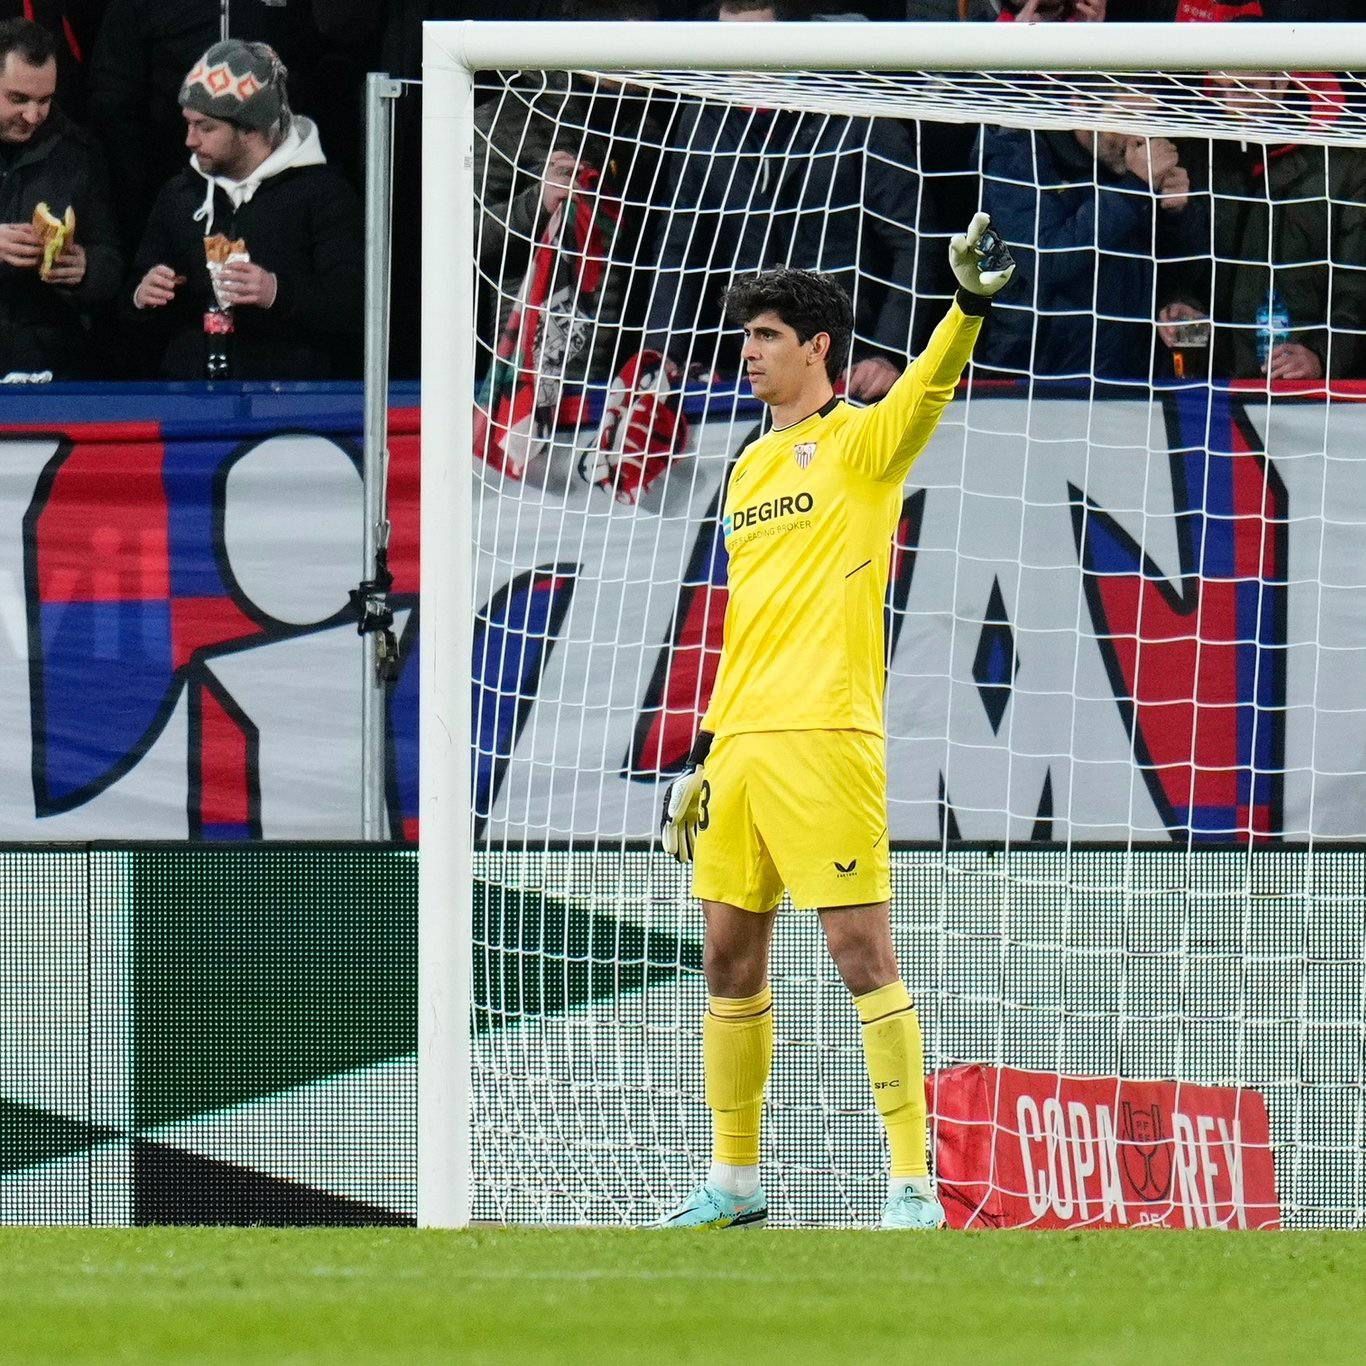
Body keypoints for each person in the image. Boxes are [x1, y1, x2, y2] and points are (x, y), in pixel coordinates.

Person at [657, 214, 1014, 1231]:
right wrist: (705, 746)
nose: (748, 352)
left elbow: (927, 390)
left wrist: (966, 307)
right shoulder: (749, 468)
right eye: (743, 338)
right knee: (728, 958)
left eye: (765, 335)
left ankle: (910, 1181)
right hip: (743, 746)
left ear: (816, 346)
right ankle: (734, 1179)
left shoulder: (861, 443)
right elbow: (743, 618)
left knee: (861, 952)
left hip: (828, 738)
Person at [127, 38, 364, 380]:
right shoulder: (179, 194)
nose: (190, 141)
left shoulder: (324, 194)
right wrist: (141, 295)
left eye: (205, 127)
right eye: (188, 123)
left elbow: (355, 306)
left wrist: (275, 292)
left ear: (252, 129)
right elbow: (127, 306)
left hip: (289, 408)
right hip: (191, 398)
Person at [1158, 70, 1366, 382]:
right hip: (1219, 389)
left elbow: (1356, 286)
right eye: (1223, 89)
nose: (1232, 103)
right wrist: (1185, 313)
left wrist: (1322, 357)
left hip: (1308, 395)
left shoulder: (1345, 164)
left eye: (1246, 88)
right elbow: (1187, 263)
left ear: (1282, 83)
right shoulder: (1200, 154)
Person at [979, 123, 1203, 380]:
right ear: (1082, 106)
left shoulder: (1144, 164)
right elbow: (1046, 261)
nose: (1142, 135)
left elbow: (1185, 275)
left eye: (1151, 118)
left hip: (1133, 378)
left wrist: (1177, 215)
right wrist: (1134, 189)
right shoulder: (1016, 154)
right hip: (1038, 378)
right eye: (1127, 117)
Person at [0, 16, 120, 378]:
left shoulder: (77, 152)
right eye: (18, 99)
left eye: (44, 100)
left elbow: (112, 260)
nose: (33, 115)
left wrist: (86, 269)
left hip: (47, 362)